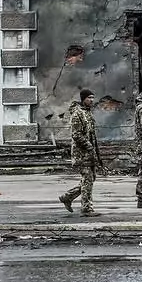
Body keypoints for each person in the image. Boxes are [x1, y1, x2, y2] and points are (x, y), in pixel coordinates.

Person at [59, 88, 103, 217]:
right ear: (83, 99)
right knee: (87, 179)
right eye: (89, 98)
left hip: (89, 152)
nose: (92, 100)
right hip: (82, 153)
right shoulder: (77, 114)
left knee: (89, 179)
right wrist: (89, 147)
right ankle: (86, 208)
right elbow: (76, 135)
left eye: (93, 98)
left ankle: (67, 197)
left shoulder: (87, 112)